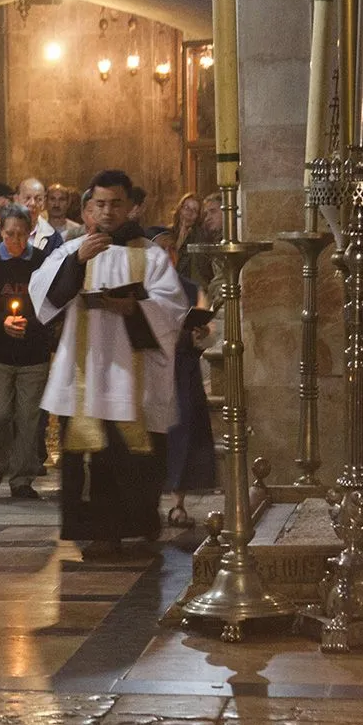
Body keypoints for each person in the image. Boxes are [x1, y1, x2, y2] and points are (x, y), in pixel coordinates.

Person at [28, 170, 187, 559]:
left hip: (132, 375)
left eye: (116, 203)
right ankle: (98, 532)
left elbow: (173, 309)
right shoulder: (70, 251)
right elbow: (44, 300)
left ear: (130, 206)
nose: (108, 211)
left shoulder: (150, 255)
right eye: (100, 204)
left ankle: (139, 522)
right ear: (88, 208)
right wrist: (77, 263)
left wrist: (134, 307)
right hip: (83, 372)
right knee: (90, 460)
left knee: (133, 458)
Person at [0, 203, 52, 499]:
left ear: (30, 232)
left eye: (21, 234)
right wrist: (1, 322)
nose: (15, 241)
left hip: (33, 353)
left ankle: (21, 478)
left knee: (29, 418)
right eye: (9, 234)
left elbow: (49, 302)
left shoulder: (41, 261)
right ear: (0, 232)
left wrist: (29, 322)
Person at [145, 225, 217, 527]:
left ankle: (178, 503)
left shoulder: (189, 288)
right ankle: (148, 503)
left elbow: (207, 331)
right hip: (152, 368)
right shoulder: (142, 288)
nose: (168, 254)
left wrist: (201, 332)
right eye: (161, 249)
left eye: (172, 248)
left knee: (183, 435)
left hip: (183, 370)